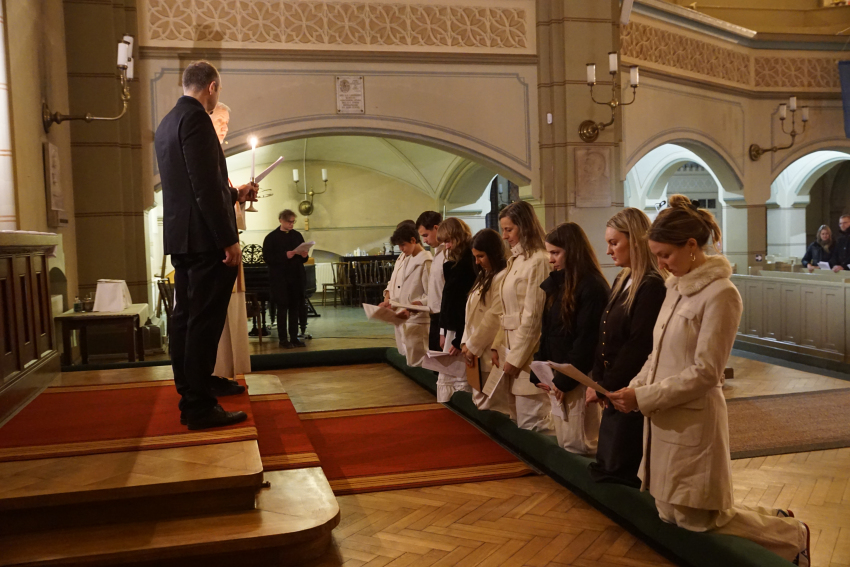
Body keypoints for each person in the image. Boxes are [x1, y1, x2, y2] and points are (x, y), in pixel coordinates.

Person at [606, 195, 811, 567]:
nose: (661, 264)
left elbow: (705, 372)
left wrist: (644, 397)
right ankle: (777, 518)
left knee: (697, 518)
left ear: (691, 246)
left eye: (666, 255)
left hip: (693, 421)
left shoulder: (721, 293)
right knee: (671, 511)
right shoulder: (675, 286)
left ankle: (790, 535)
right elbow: (657, 353)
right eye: (656, 256)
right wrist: (634, 386)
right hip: (663, 416)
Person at [154, 60, 257, 430]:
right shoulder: (197, 119)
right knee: (203, 323)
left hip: (183, 238)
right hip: (205, 241)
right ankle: (198, 406)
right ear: (212, 87)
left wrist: (234, 193)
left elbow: (191, 185)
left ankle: (190, 391)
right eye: (218, 91)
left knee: (185, 319)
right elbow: (204, 186)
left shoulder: (168, 122)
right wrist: (228, 239)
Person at [587, 208, 666, 486]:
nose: (608, 251)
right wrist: (597, 379)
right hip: (613, 384)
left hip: (630, 386)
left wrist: (607, 385)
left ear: (635, 240)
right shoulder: (623, 278)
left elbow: (638, 344)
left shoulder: (651, 284)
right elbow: (605, 332)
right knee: (608, 463)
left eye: (614, 243)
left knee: (621, 469)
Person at [463, 201, 553, 434]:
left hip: (527, 354)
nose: (504, 236)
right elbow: (505, 312)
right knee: (516, 421)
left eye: (509, 229)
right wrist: (497, 345)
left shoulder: (539, 260)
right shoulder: (516, 261)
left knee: (534, 423)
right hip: (509, 351)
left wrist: (516, 357)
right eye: (503, 230)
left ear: (525, 226)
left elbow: (533, 317)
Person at [530, 222, 609, 455]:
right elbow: (548, 331)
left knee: (581, 443)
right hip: (558, 375)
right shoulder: (558, 284)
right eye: (549, 253)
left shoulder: (592, 286)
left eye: (555, 253)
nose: (550, 259)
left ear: (572, 251)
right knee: (565, 442)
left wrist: (564, 381)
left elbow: (587, 340)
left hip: (578, 376)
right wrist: (539, 367)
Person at [209, 101, 250, 384]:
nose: (225, 127)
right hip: (216, 251)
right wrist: (235, 197)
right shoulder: (205, 154)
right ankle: (216, 372)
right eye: (219, 120)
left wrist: (239, 197)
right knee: (215, 318)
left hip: (227, 247)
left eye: (227, 122)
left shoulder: (218, 158)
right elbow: (211, 203)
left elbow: (230, 211)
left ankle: (226, 372)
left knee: (228, 315)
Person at [461, 229, 511, 415]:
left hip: (489, 350)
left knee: (494, 407)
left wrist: (472, 345)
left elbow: (494, 316)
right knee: (480, 404)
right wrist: (466, 342)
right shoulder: (485, 275)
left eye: (481, 256)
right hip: (475, 351)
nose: (477, 262)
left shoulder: (502, 276)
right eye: (475, 257)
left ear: (494, 252)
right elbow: (471, 315)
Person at [434, 218, 476, 402]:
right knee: (450, 377)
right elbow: (448, 301)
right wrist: (443, 329)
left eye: (449, 241)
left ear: (458, 237)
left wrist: (459, 338)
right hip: (452, 328)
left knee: (459, 379)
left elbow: (463, 304)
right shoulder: (455, 263)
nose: (447, 246)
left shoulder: (467, 264)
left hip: (462, 330)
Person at [386, 223, 433, 367]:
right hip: (406, 316)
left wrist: (417, 304)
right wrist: (391, 302)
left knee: (420, 361)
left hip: (419, 319)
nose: (401, 249)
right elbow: (403, 289)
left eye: (403, 245)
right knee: (409, 359)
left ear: (413, 240)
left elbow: (432, 294)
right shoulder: (408, 258)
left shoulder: (425, 260)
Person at [263, 209, 309, 349]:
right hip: (280, 279)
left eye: (293, 222)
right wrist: (285, 256)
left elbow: (303, 259)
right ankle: (283, 339)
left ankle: (294, 338)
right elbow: (267, 258)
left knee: (295, 308)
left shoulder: (297, 235)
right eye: (289, 222)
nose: (291, 224)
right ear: (281, 220)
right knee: (282, 309)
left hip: (296, 278)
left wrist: (304, 255)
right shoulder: (271, 238)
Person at [381, 220, 417, 358]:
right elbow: (393, 280)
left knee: (412, 349)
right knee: (402, 346)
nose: (401, 247)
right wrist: (387, 298)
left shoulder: (418, 258)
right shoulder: (401, 256)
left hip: (410, 310)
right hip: (396, 307)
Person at [416, 211, 445, 353]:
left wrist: (444, 329)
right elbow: (436, 290)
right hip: (434, 316)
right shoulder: (438, 254)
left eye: (426, 235)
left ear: (436, 228)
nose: (424, 241)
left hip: (443, 318)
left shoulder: (448, 254)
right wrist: (422, 303)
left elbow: (447, 294)